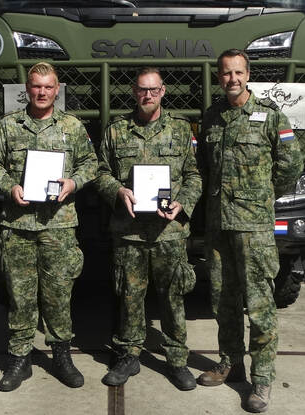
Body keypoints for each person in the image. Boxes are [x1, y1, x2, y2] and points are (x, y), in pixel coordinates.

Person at [0, 62, 98, 392]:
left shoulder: (71, 127)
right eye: (36, 87)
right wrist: (9, 187)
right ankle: (19, 358)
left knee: (59, 295)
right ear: (26, 90)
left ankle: (61, 354)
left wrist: (74, 182)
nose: (42, 92)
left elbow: (92, 164)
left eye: (48, 87)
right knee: (20, 296)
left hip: (58, 226)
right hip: (17, 225)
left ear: (56, 90)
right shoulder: (8, 126)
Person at [195, 49, 302, 413]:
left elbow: (290, 166)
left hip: (253, 226)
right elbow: (203, 167)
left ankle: (262, 379)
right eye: (226, 73)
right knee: (222, 300)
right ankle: (230, 362)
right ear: (219, 77)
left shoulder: (271, 117)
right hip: (218, 226)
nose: (232, 79)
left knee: (259, 304)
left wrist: (263, 195)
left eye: (238, 72)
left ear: (248, 74)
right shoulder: (211, 118)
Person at [93, 67, 202, 391]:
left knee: (173, 298)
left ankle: (177, 360)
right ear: (133, 91)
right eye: (142, 90)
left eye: (153, 90)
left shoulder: (181, 130)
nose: (148, 95)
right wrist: (118, 191)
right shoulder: (116, 131)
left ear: (163, 91)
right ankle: (128, 354)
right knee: (129, 297)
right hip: (129, 233)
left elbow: (195, 174)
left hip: (168, 233)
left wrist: (183, 202)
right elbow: (101, 172)